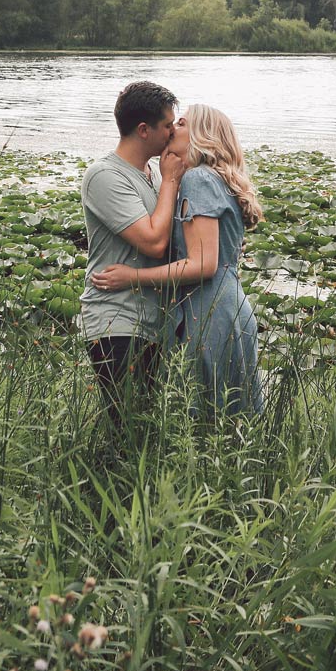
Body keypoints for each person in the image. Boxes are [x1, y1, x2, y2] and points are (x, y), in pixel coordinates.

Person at [92, 103, 264, 417]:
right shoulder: (214, 179)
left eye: (181, 123)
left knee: (205, 416)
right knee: (231, 417)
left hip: (209, 310)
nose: (172, 129)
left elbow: (203, 264)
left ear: (202, 135)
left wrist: (132, 277)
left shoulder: (198, 180)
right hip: (228, 305)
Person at [78, 80, 185, 427]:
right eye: (167, 125)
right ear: (143, 130)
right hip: (116, 320)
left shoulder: (152, 174)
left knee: (149, 429)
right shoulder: (105, 176)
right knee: (128, 431)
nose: (173, 132)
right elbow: (153, 242)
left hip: (155, 323)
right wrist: (171, 181)